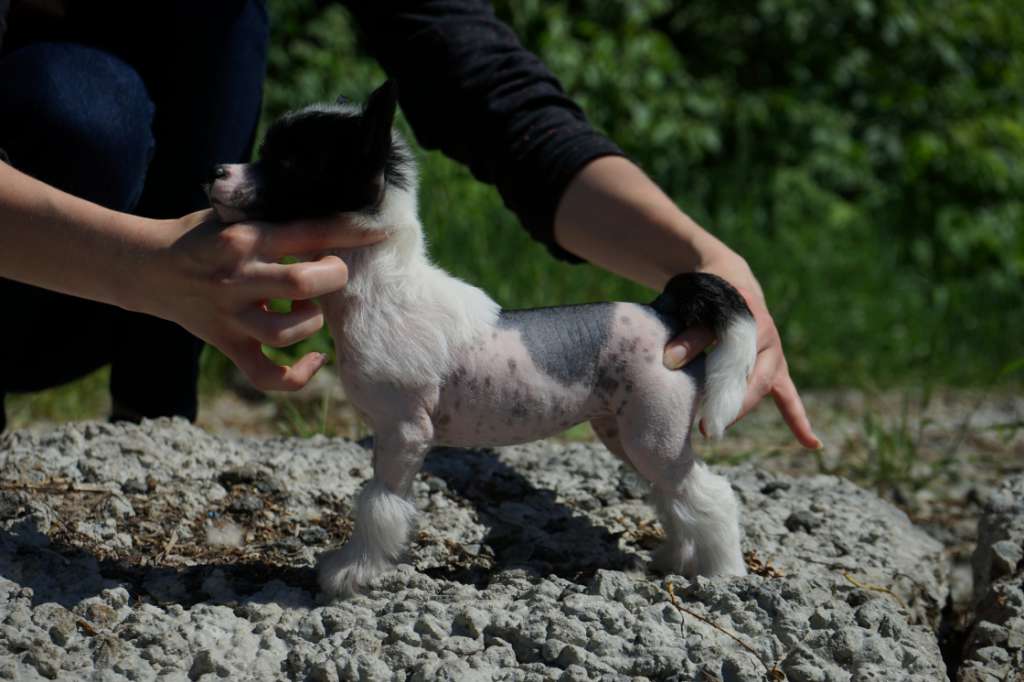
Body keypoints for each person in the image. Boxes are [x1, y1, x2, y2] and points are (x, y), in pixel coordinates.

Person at [0, 0, 819, 448]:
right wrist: (136, 266)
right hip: (45, 276)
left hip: (122, 303)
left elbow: (484, 83)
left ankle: (154, 412)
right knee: (78, 109)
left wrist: (697, 253)